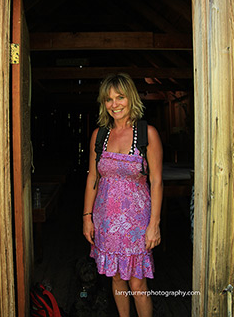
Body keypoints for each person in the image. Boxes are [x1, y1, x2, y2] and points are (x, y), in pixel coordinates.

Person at [83, 73, 163, 317]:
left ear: (131, 98)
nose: (114, 104)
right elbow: (92, 178)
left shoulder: (146, 133)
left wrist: (154, 224)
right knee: (116, 279)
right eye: (108, 99)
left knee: (137, 283)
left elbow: (157, 181)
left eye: (120, 97)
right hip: (105, 220)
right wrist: (87, 217)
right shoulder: (100, 135)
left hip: (137, 224)